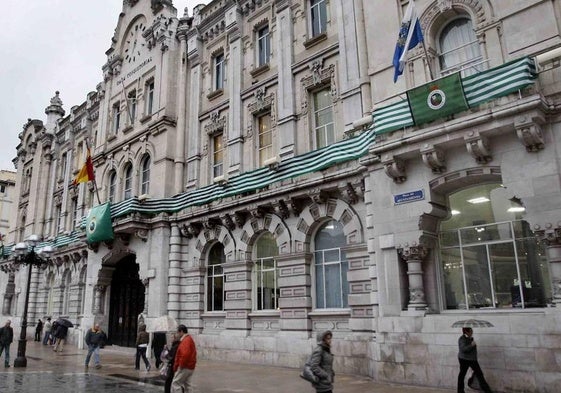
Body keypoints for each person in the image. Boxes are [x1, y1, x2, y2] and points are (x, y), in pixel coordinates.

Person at [457, 327, 493, 393]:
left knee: (479, 374)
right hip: (464, 359)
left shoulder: (470, 338)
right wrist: (472, 345)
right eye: (471, 331)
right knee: (462, 375)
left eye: (472, 331)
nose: (472, 332)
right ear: (466, 332)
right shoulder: (461, 339)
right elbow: (464, 349)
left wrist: (471, 342)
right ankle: (460, 391)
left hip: (472, 359)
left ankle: (487, 390)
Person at [171, 324, 197, 393]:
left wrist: (181, 365)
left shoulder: (186, 340)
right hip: (190, 366)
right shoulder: (189, 339)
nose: (177, 334)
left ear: (181, 332)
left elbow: (185, 354)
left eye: (177, 332)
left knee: (176, 383)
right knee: (187, 384)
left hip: (185, 366)